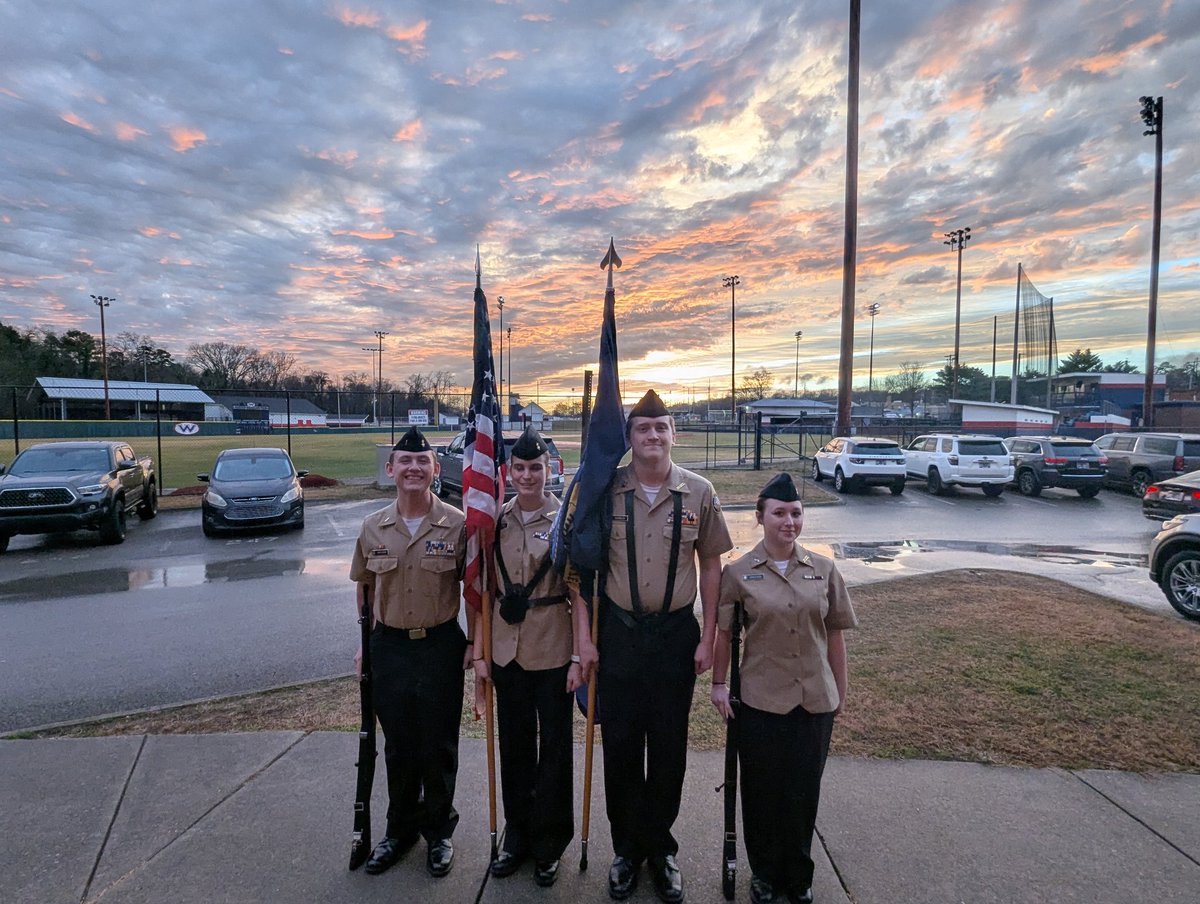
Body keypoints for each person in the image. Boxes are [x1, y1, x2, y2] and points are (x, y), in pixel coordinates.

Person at [596, 389, 733, 903]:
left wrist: (709, 634)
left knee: (670, 747)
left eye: (661, 428)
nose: (652, 437)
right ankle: (627, 850)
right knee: (623, 747)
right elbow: (583, 566)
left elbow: (713, 565)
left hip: (675, 635)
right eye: (642, 429)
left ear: (674, 434)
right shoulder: (605, 489)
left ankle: (662, 849)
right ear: (629, 438)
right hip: (620, 635)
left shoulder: (699, 492)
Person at [710, 473, 857, 904]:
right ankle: (765, 874)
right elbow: (723, 635)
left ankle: (798, 874)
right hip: (761, 701)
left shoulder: (824, 570)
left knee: (802, 790)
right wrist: (719, 684)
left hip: (815, 700)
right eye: (778, 513)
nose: (788, 522)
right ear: (760, 518)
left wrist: (839, 694)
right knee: (761, 790)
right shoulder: (738, 573)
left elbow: (834, 636)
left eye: (795, 513)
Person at [471, 425, 597, 887]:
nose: (527, 476)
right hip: (508, 650)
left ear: (549, 469)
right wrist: (481, 653)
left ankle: (550, 843)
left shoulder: (565, 522)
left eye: (535, 468)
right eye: (519, 468)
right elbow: (484, 590)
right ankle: (518, 836)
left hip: (553, 648)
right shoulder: (495, 522)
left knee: (556, 750)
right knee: (515, 746)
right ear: (508, 471)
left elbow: (578, 590)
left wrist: (579, 657)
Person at [349, 426, 471, 880]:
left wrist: (475, 644)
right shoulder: (372, 526)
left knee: (438, 744)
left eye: (423, 461)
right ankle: (398, 831)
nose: (414, 468)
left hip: (440, 644)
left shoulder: (457, 524)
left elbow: (474, 589)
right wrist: (365, 647)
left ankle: (439, 833)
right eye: (405, 461)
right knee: (398, 746)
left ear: (436, 470)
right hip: (391, 647)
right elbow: (364, 586)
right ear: (391, 469)